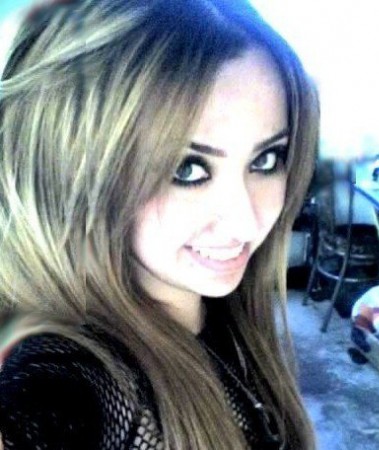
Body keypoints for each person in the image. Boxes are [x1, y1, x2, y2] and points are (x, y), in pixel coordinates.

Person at [0, 0, 319, 448]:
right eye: (187, 169)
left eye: (266, 160)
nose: (246, 222)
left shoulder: (225, 312)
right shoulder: (65, 383)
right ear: (74, 168)